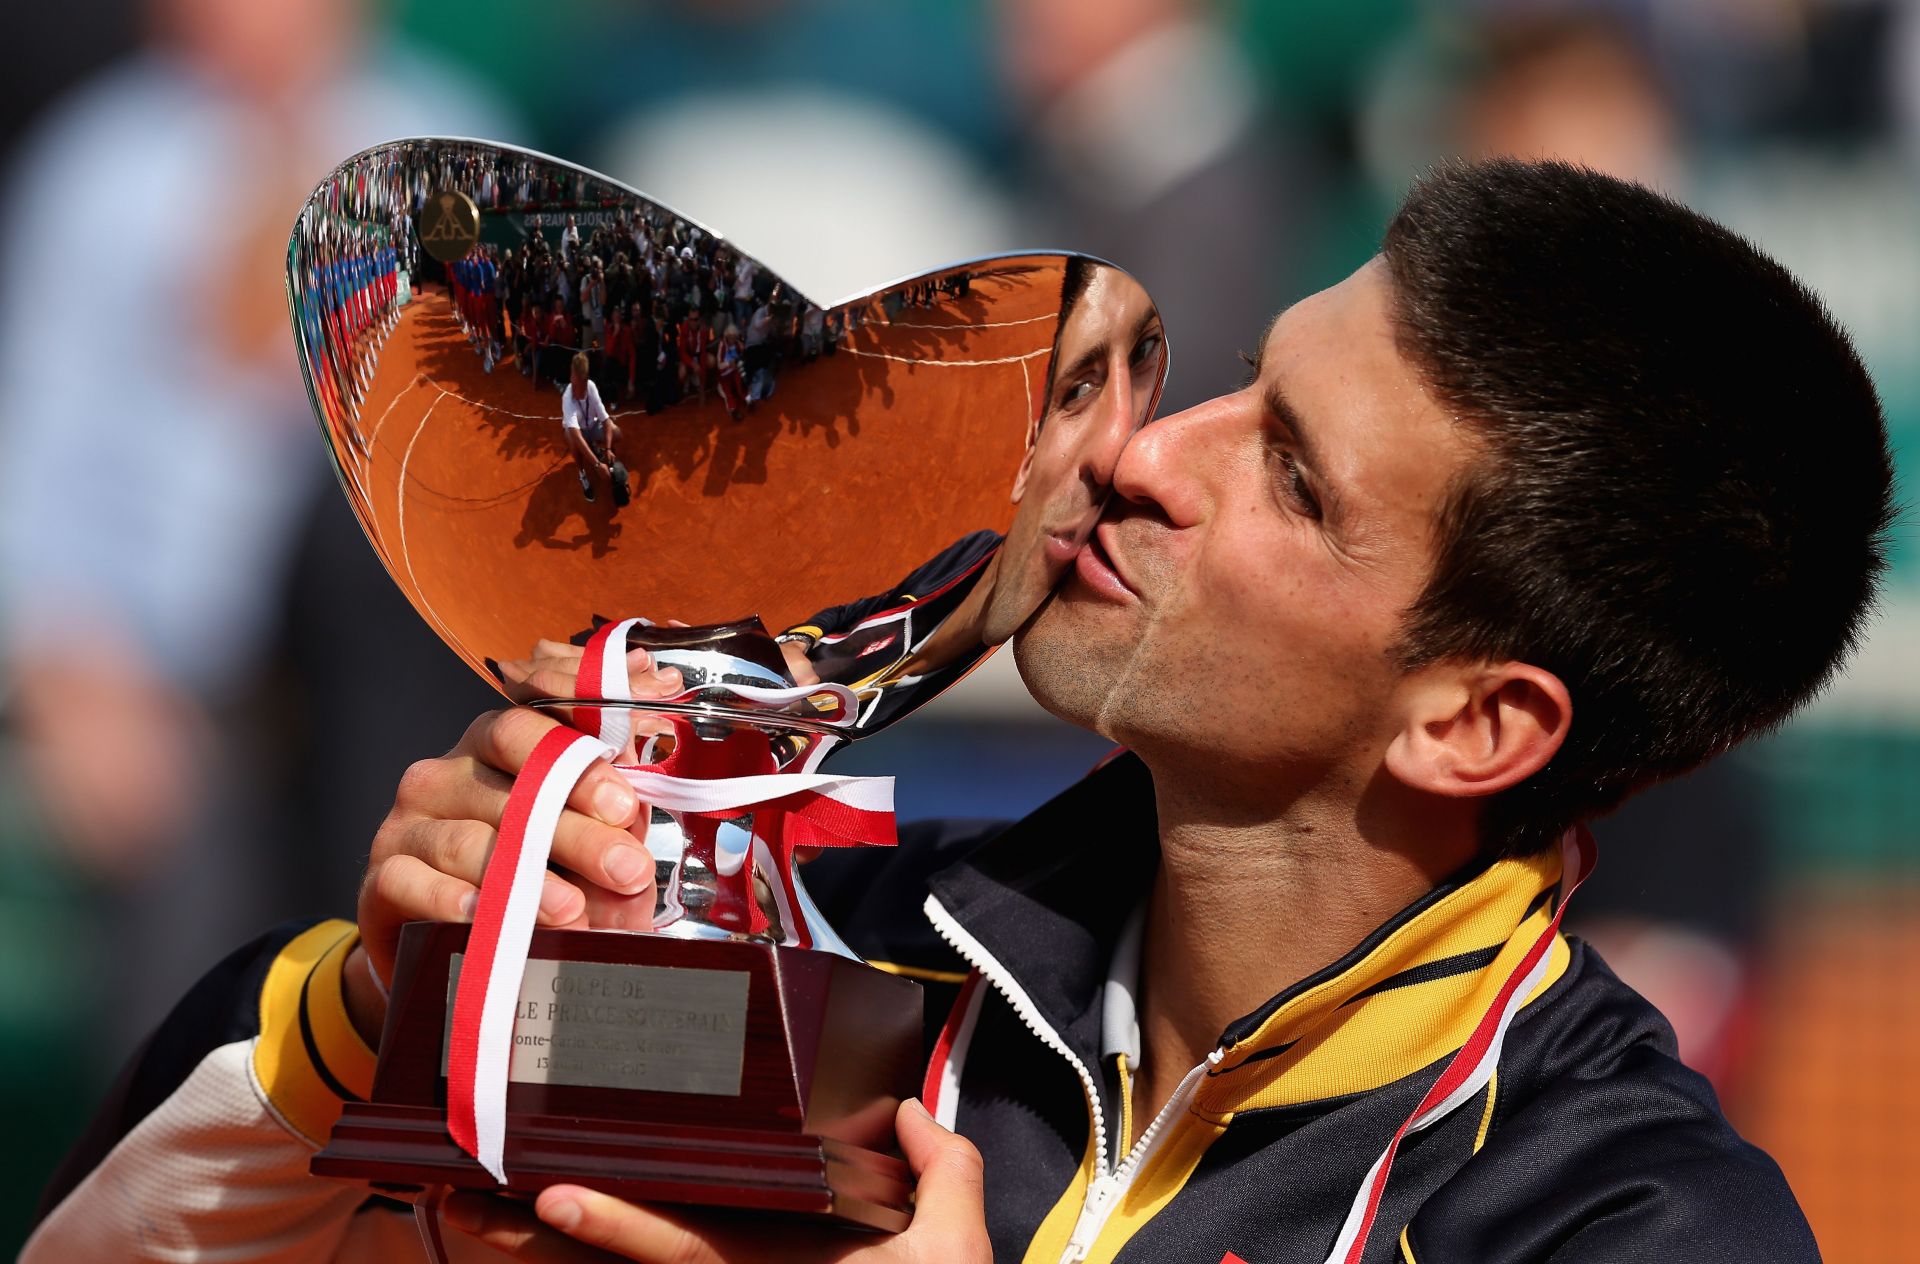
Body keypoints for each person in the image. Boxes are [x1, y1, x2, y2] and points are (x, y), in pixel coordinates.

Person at [24, 162, 1893, 1263]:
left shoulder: (1626, 1221)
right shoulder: (827, 953)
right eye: (1242, 387)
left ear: (1475, 724)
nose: (1151, 451)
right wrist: (382, 1014)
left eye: (1296, 479)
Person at [559, 352, 622, 505]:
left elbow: (606, 420)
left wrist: (607, 449)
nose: (577, 390)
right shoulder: (567, 399)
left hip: (592, 426)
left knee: (616, 432)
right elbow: (577, 436)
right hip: (578, 433)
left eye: (581, 385)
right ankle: (582, 474)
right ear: (571, 377)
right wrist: (597, 465)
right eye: (574, 384)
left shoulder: (592, 387)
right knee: (573, 440)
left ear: (586, 380)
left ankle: (607, 457)